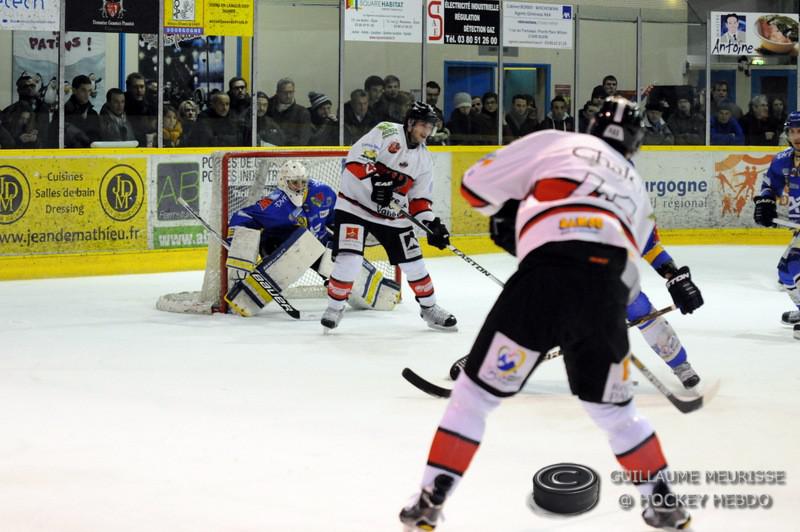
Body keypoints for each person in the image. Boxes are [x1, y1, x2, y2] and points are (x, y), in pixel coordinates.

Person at [399, 97, 700, 531]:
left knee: (473, 400)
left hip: (545, 276)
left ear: (592, 126)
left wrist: (513, 215)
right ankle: (663, 502)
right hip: (604, 289)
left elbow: (473, 187)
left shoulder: (555, 140)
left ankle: (429, 501)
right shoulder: (634, 183)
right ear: (635, 143)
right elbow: (629, 265)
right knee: (616, 413)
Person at [320, 101, 456, 332]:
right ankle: (335, 306)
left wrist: (431, 224)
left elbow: (419, 201)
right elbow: (356, 160)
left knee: (414, 264)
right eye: (423, 125)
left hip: (392, 215)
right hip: (355, 206)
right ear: (411, 123)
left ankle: (430, 308)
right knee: (350, 260)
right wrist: (375, 181)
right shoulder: (386, 131)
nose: (427, 132)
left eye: (431, 127)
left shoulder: (424, 160)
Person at [225, 160, 337, 316]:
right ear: (284, 183)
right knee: (302, 241)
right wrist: (235, 241)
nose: (299, 187)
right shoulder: (275, 203)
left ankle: (339, 281)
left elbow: (334, 219)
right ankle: (255, 281)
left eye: (302, 182)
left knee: (326, 247)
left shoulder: (323, 193)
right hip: (275, 245)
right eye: (294, 183)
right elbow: (242, 215)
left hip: (314, 245)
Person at [753, 111, 800, 340]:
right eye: (792, 131)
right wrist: (765, 201)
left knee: (793, 267)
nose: (796, 136)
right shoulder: (783, 160)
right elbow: (769, 185)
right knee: (785, 273)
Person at [267, 78, 312, 146]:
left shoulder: (302, 113)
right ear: (277, 92)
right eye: (285, 92)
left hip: (291, 153)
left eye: (291, 92)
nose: (288, 96)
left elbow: (303, 140)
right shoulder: (268, 109)